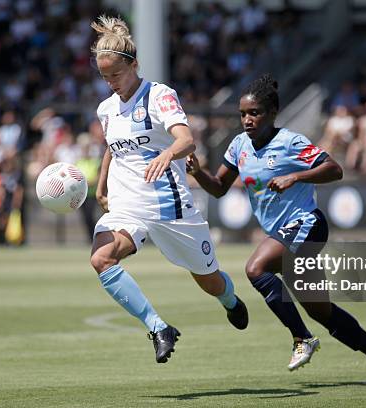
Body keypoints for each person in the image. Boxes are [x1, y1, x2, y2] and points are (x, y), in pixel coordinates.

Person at [187, 74, 366, 384]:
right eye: (243, 114)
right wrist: (198, 172)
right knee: (321, 311)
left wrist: (295, 177)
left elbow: (334, 169)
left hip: (307, 224)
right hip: (284, 232)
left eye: (254, 113)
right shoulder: (238, 146)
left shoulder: (290, 142)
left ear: (272, 113)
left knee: (256, 268)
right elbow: (218, 188)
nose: (247, 119)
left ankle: (302, 338)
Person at [88, 16, 248, 364]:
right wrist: (101, 186)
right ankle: (159, 326)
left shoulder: (159, 96)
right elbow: (112, 148)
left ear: (133, 64)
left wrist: (166, 153)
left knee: (209, 281)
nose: (111, 82)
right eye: (104, 76)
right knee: (101, 258)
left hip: (170, 206)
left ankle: (230, 301)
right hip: (127, 206)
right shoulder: (106, 109)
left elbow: (186, 141)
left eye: (115, 73)